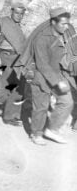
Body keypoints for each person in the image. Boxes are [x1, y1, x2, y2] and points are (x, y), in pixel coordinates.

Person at [28, 8, 75, 145]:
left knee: (67, 102)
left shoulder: (62, 35)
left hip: (55, 74)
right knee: (41, 107)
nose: (66, 27)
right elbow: (42, 64)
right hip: (40, 77)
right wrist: (57, 82)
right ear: (53, 22)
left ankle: (52, 129)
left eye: (67, 24)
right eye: (63, 24)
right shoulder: (42, 39)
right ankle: (36, 134)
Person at [0, 0, 28, 126]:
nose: (19, 16)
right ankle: (9, 116)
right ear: (11, 11)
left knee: (17, 85)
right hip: (6, 57)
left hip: (17, 58)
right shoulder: (4, 23)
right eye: (16, 13)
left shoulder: (18, 26)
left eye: (21, 14)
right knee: (11, 85)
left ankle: (12, 114)